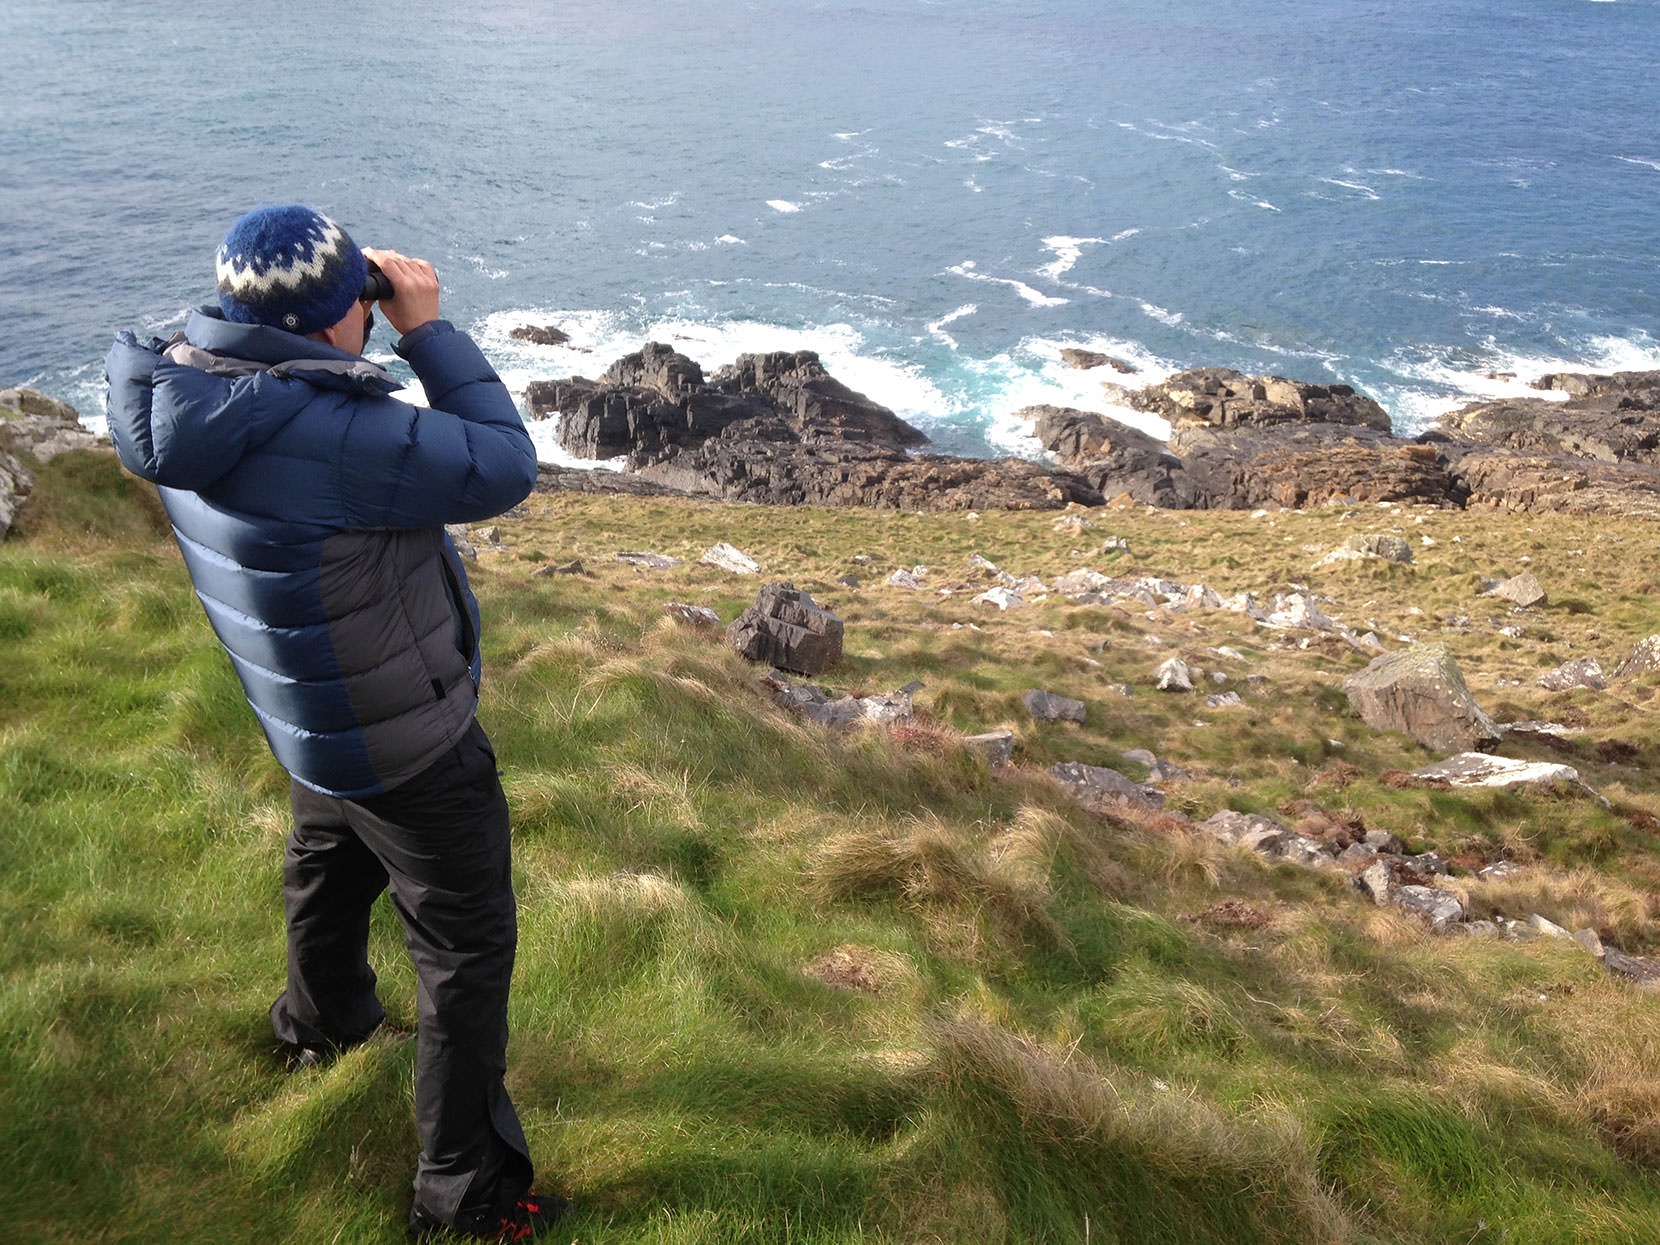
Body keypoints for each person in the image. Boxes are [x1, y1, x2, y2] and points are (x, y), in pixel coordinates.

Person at [105, 205, 568, 1241]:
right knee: (463, 949)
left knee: (329, 856)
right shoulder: (334, 432)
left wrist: (363, 321)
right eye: (362, 301)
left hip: (308, 708)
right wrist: (429, 331)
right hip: (404, 731)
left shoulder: (187, 394)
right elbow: (500, 463)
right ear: (332, 323)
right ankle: (466, 1197)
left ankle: (320, 1026)